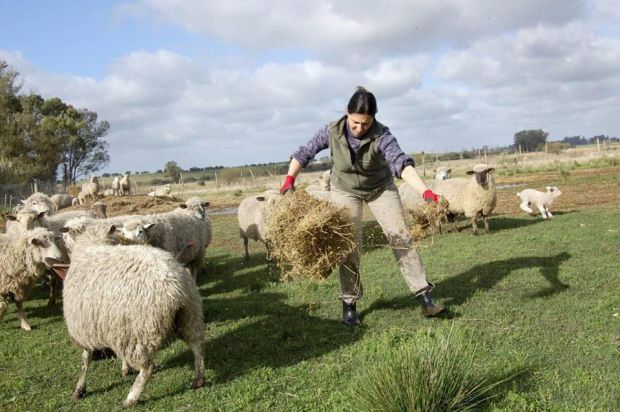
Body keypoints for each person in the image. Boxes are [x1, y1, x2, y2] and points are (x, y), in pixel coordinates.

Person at [279, 86, 446, 326]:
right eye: (355, 123)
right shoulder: (331, 130)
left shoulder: (383, 136)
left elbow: (401, 164)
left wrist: (426, 191)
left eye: (365, 124)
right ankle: (350, 304)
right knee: (348, 245)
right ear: (347, 114)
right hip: (344, 190)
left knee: (400, 237)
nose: (359, 129)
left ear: (373, 119)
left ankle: (425, 298)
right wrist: (289, 180)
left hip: (380, 189)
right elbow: (304, 153)